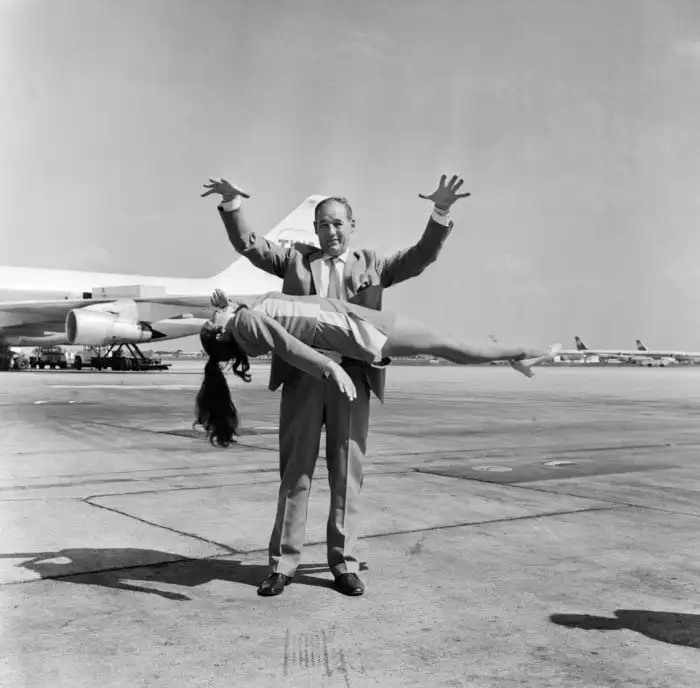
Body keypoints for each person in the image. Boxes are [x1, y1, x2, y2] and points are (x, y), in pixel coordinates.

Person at [202, 174, 468, 597]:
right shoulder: (295, 260)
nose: (331, 231)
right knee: (296, 473)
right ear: (314, 229)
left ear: (352, 226)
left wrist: (440, 212)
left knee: (346, 475)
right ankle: (283, 564)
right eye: (323, 224)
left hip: (354, 379)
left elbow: (420, 257)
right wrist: (232, 204)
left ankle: (343, 563)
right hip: (303, 378)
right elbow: (251, 246)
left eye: (338, 223)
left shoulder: (373, 265)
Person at [195, 289, 557, 450]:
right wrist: (329, 368)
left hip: (359, 326)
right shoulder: (246, 323)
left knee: (450, 345)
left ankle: (520, 355)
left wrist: (230, 304)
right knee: (452, 345)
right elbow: (288, 346)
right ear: (222, 332)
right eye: (210, 318)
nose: (211, 312)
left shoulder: (244, 324)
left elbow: (274, 317)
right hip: (363, 329)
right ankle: (527, 352)